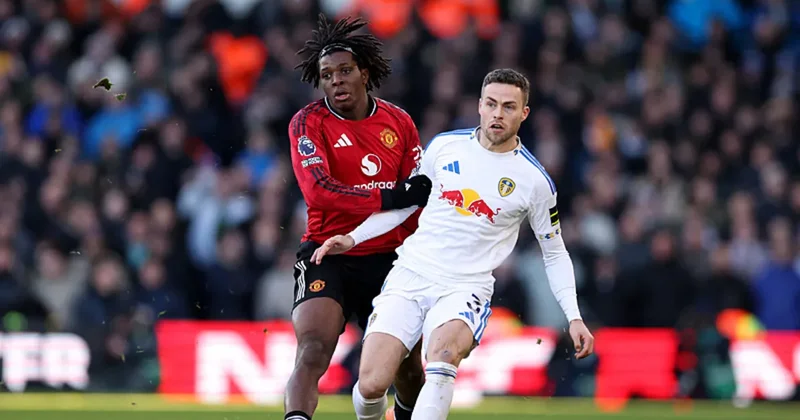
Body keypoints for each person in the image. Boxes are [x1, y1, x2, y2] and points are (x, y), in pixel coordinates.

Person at [311, 68, 596, 420]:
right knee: (370, 385)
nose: (497, 114)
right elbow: (407, 203)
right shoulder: (445, 147)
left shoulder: (535, 181)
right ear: (479, 105)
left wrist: (574, 316)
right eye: (491, 104)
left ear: (524, 113)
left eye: (508, 107)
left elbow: (554, 253)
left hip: (466, 287)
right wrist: (354, 237)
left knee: (442, 360)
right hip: (411, 273)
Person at [285, 15, 432, 420]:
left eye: (345, 70)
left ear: (364, 74)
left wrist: (403, 213)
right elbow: (320, 191)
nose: (336, 81)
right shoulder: (308, 123)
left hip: (390, 259)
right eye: (326, 75)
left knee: (407, 367)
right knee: (313, 349)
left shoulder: (399, 122)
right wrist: (388, 195)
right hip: (326, 253)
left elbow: (416, 197)